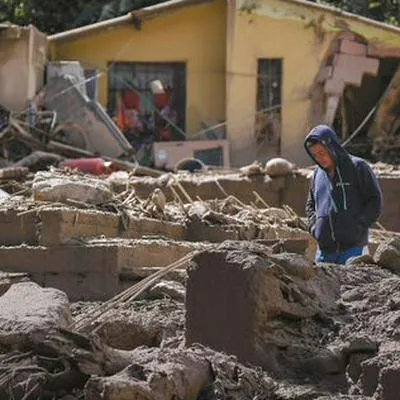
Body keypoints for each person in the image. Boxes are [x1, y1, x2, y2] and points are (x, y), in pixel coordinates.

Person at [304, 125, 382, 265]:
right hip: (324, 253)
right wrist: (314, 227)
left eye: (322, 153)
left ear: (332, 147)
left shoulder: (358, 167)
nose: (319, 158)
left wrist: (359, 224)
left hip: (353, 250)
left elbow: (374, 200)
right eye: (315, 155)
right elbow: (310, 205)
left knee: (354, 287)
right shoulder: (317, 174)